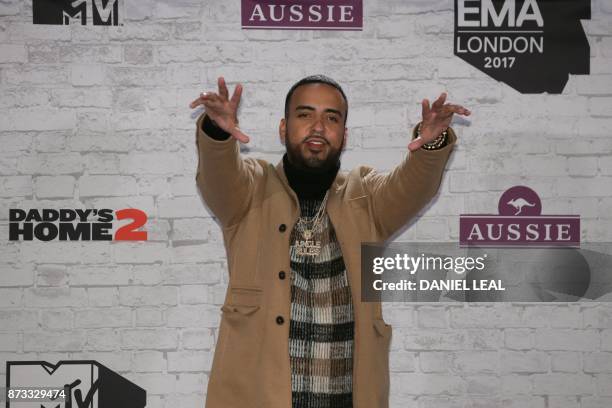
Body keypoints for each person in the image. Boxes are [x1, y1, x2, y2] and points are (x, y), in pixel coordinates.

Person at [189, 75, 470, 408]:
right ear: (283, 128)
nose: (318, 126)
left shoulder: (366, 195)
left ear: (345, 135)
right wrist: (218, 134)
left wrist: (430, 147)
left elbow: (412, 188)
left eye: (331, 118)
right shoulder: (249, 190)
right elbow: (219, 178)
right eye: (305, 115)